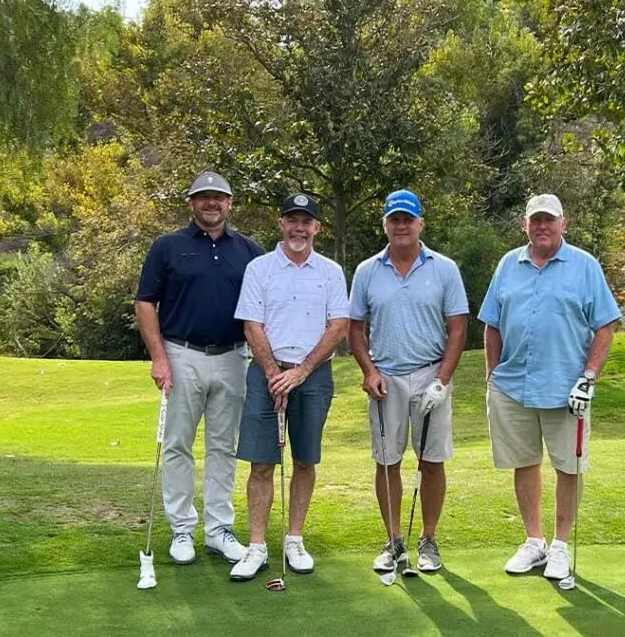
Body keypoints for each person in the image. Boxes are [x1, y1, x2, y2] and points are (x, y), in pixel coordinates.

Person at [477, 193, 621, 583]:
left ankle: (559, 545)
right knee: (524, 463)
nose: (542, 226)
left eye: (549, 220)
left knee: (568, 466)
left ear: (563, 224)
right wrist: (492, 376)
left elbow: (605, 326)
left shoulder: (585, 266)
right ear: (525, 224)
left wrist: (589, 377)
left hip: (566, 388)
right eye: (535, 220)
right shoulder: (509, 264)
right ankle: (534, 541)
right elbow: (492, 324)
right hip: (513, 386)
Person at [134, 170, 264, 566]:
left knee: (224, 446)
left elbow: (262, 310)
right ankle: (181, 530)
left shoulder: (250, 251)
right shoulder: (168, 247)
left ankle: (219, 530)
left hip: (232, 356)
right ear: (191, 203)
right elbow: (145, 303)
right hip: (181, 353)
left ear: (230, 203)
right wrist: (159, 357)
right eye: (203, 197)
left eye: (218, 197)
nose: (212, 203)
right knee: (178, 445)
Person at [228, 193, 349, 581]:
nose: (299, 228)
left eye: (306, 221)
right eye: (292, 220)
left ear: (317, 227)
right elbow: (252, 324)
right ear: (281, 224)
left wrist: (300, 373)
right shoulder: (260, 269)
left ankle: (294, 539)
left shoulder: (330, 271)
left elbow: (338, 327)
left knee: (305, 460)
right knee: (262, 462)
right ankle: (258, 546)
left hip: (313, 376)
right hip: (265, 373)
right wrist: (272, 372)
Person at [347, 189, 468, 574]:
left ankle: (428, 540)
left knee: (432, 462)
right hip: (386, 377)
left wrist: (442, 380)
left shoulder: (444, 268)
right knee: (388, 463)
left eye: (407, 219)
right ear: (385, 224)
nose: (401, 226)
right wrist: (369, 371)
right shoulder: (367, 271)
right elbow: (354, 329)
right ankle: (394, 541)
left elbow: (458, 328)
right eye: (394, 219)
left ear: (420, 224)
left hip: (431, 374)